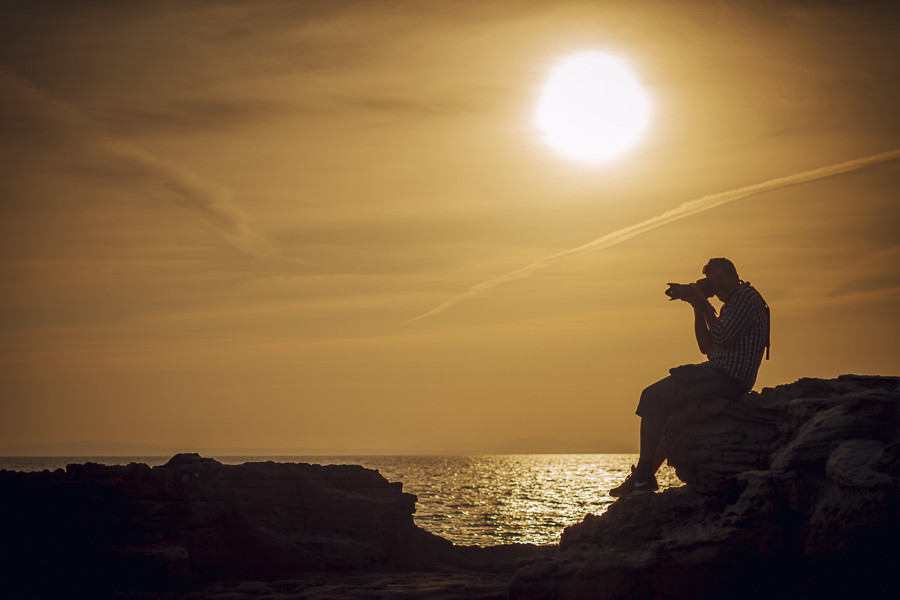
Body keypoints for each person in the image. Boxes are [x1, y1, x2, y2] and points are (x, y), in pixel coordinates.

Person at [610, 257, 770, 498]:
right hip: (718, 372)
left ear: (733, 275)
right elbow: (706, 346)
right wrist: (697, 307)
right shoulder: (730, 305)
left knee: (652, 395)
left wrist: (705, 303)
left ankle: (642, 476)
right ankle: (642, 479)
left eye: (720, 280)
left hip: (728, 378)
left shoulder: (745, 298)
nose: (718, 287)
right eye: (712, 283)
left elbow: (723, 336)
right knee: (670, 414)